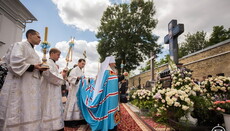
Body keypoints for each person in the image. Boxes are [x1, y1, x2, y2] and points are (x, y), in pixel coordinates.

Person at [0, 29, 46, 131]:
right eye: (38, 36)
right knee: (17, 109)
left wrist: (40, 70)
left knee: (29, 111)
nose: (40, 39)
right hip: (20, 84)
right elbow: (15, 63)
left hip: (31, 86)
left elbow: (35, 67)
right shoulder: (19, 45)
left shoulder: (34, 52)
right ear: (30, 35)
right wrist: (34, 67)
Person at [78, 56, 128, 131]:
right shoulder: (107, 71)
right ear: (110, 62)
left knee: (112, 110)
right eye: (113, 62)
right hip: (108, 96)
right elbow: (115, 79)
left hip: (112, 96)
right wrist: (123, 75)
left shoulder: (109, 71)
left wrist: (122, 76)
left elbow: (114, 79)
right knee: (110, 110)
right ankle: (109, 125)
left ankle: (112, 124)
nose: (115, 63)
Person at [40, 48, 67, 131]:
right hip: (48, 90)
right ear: (52, 53)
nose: (59, 57)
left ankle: (55, 125)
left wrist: (62, 75)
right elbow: (49, 74)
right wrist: (62, 75)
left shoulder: (54, 64)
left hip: (54, 90)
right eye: (58, 55)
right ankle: (47, 126)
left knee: (54, 108)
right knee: (48, 107)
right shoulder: (47, 62)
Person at [63, 59, 86, 125]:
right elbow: (70, 78)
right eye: (82, 63)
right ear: (78, 62)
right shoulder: (74, 69)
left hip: (79, 90)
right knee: (74, 102)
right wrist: (77, 78)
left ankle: (79, 119)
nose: (83, 65)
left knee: (78, 103)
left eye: (84, 64)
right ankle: (71, 120)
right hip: (74, 90)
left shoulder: (81, 71)